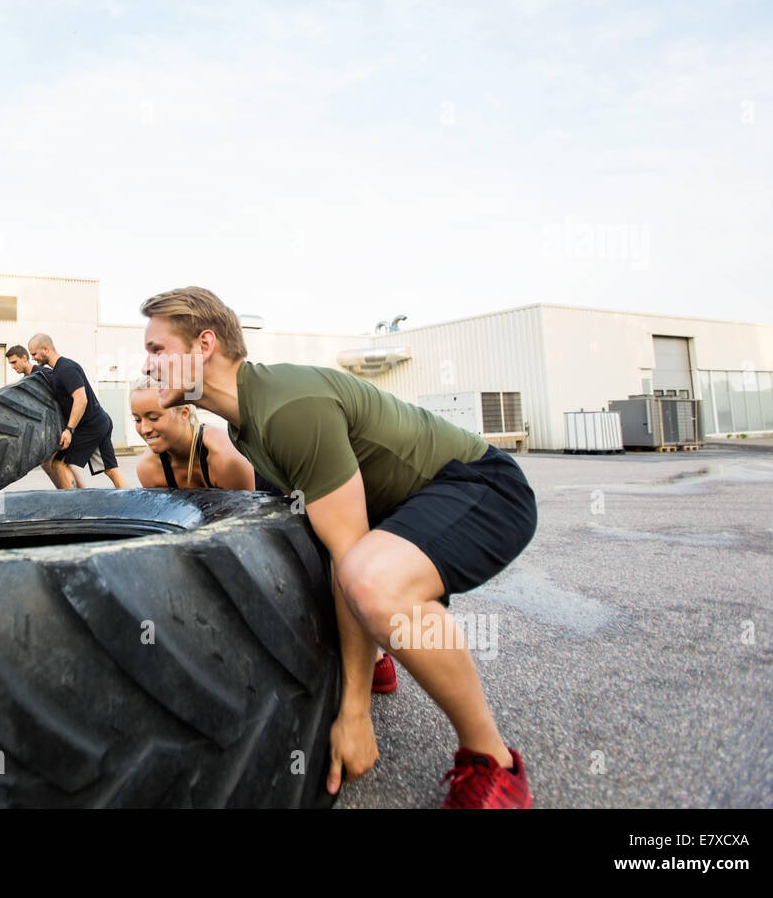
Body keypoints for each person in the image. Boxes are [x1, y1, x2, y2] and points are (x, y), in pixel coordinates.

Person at [139, 286, 537, 808]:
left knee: (369, 581)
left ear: (204, 345)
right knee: (311, 545)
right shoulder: (246, 426)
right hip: (405, 513)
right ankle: (379, 659)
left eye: (156, 351)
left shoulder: (287, 408)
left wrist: (354, 713)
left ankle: (493, 762)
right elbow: (329, 539)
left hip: (481, 488)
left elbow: (351, 558)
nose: (146, 368)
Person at [129, 375, 400, 694]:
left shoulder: (223, 456)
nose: (144, 428)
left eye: (153, 416)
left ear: (185, 413)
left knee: (320, 552)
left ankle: (374, 654)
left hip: (272, 498)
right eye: (136, 419)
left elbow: (250, 534)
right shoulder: (149, 470)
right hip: (213, 515)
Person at [28, 334, 127, 489]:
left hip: (91, 425)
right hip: (99, 421)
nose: (32, 358)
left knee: (59, 463)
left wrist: (69, 430)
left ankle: (74, 506)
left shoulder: (66, 368)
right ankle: (127, 502)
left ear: (45, 349)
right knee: (110, 470)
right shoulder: (58, 371)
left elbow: (81, 400)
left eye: (34, 353)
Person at [5, 345, 79, 489]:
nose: (13, 367)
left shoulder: (43, 373)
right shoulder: (26, 380)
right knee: (48, 464)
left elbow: (63, 395)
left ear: (24, 358)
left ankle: (77, 493)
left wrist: (68, 427)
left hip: (61, 425)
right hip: (46, 428)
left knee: (60, 464)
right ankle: (65, 491)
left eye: (14, 362)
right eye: (10, 364)